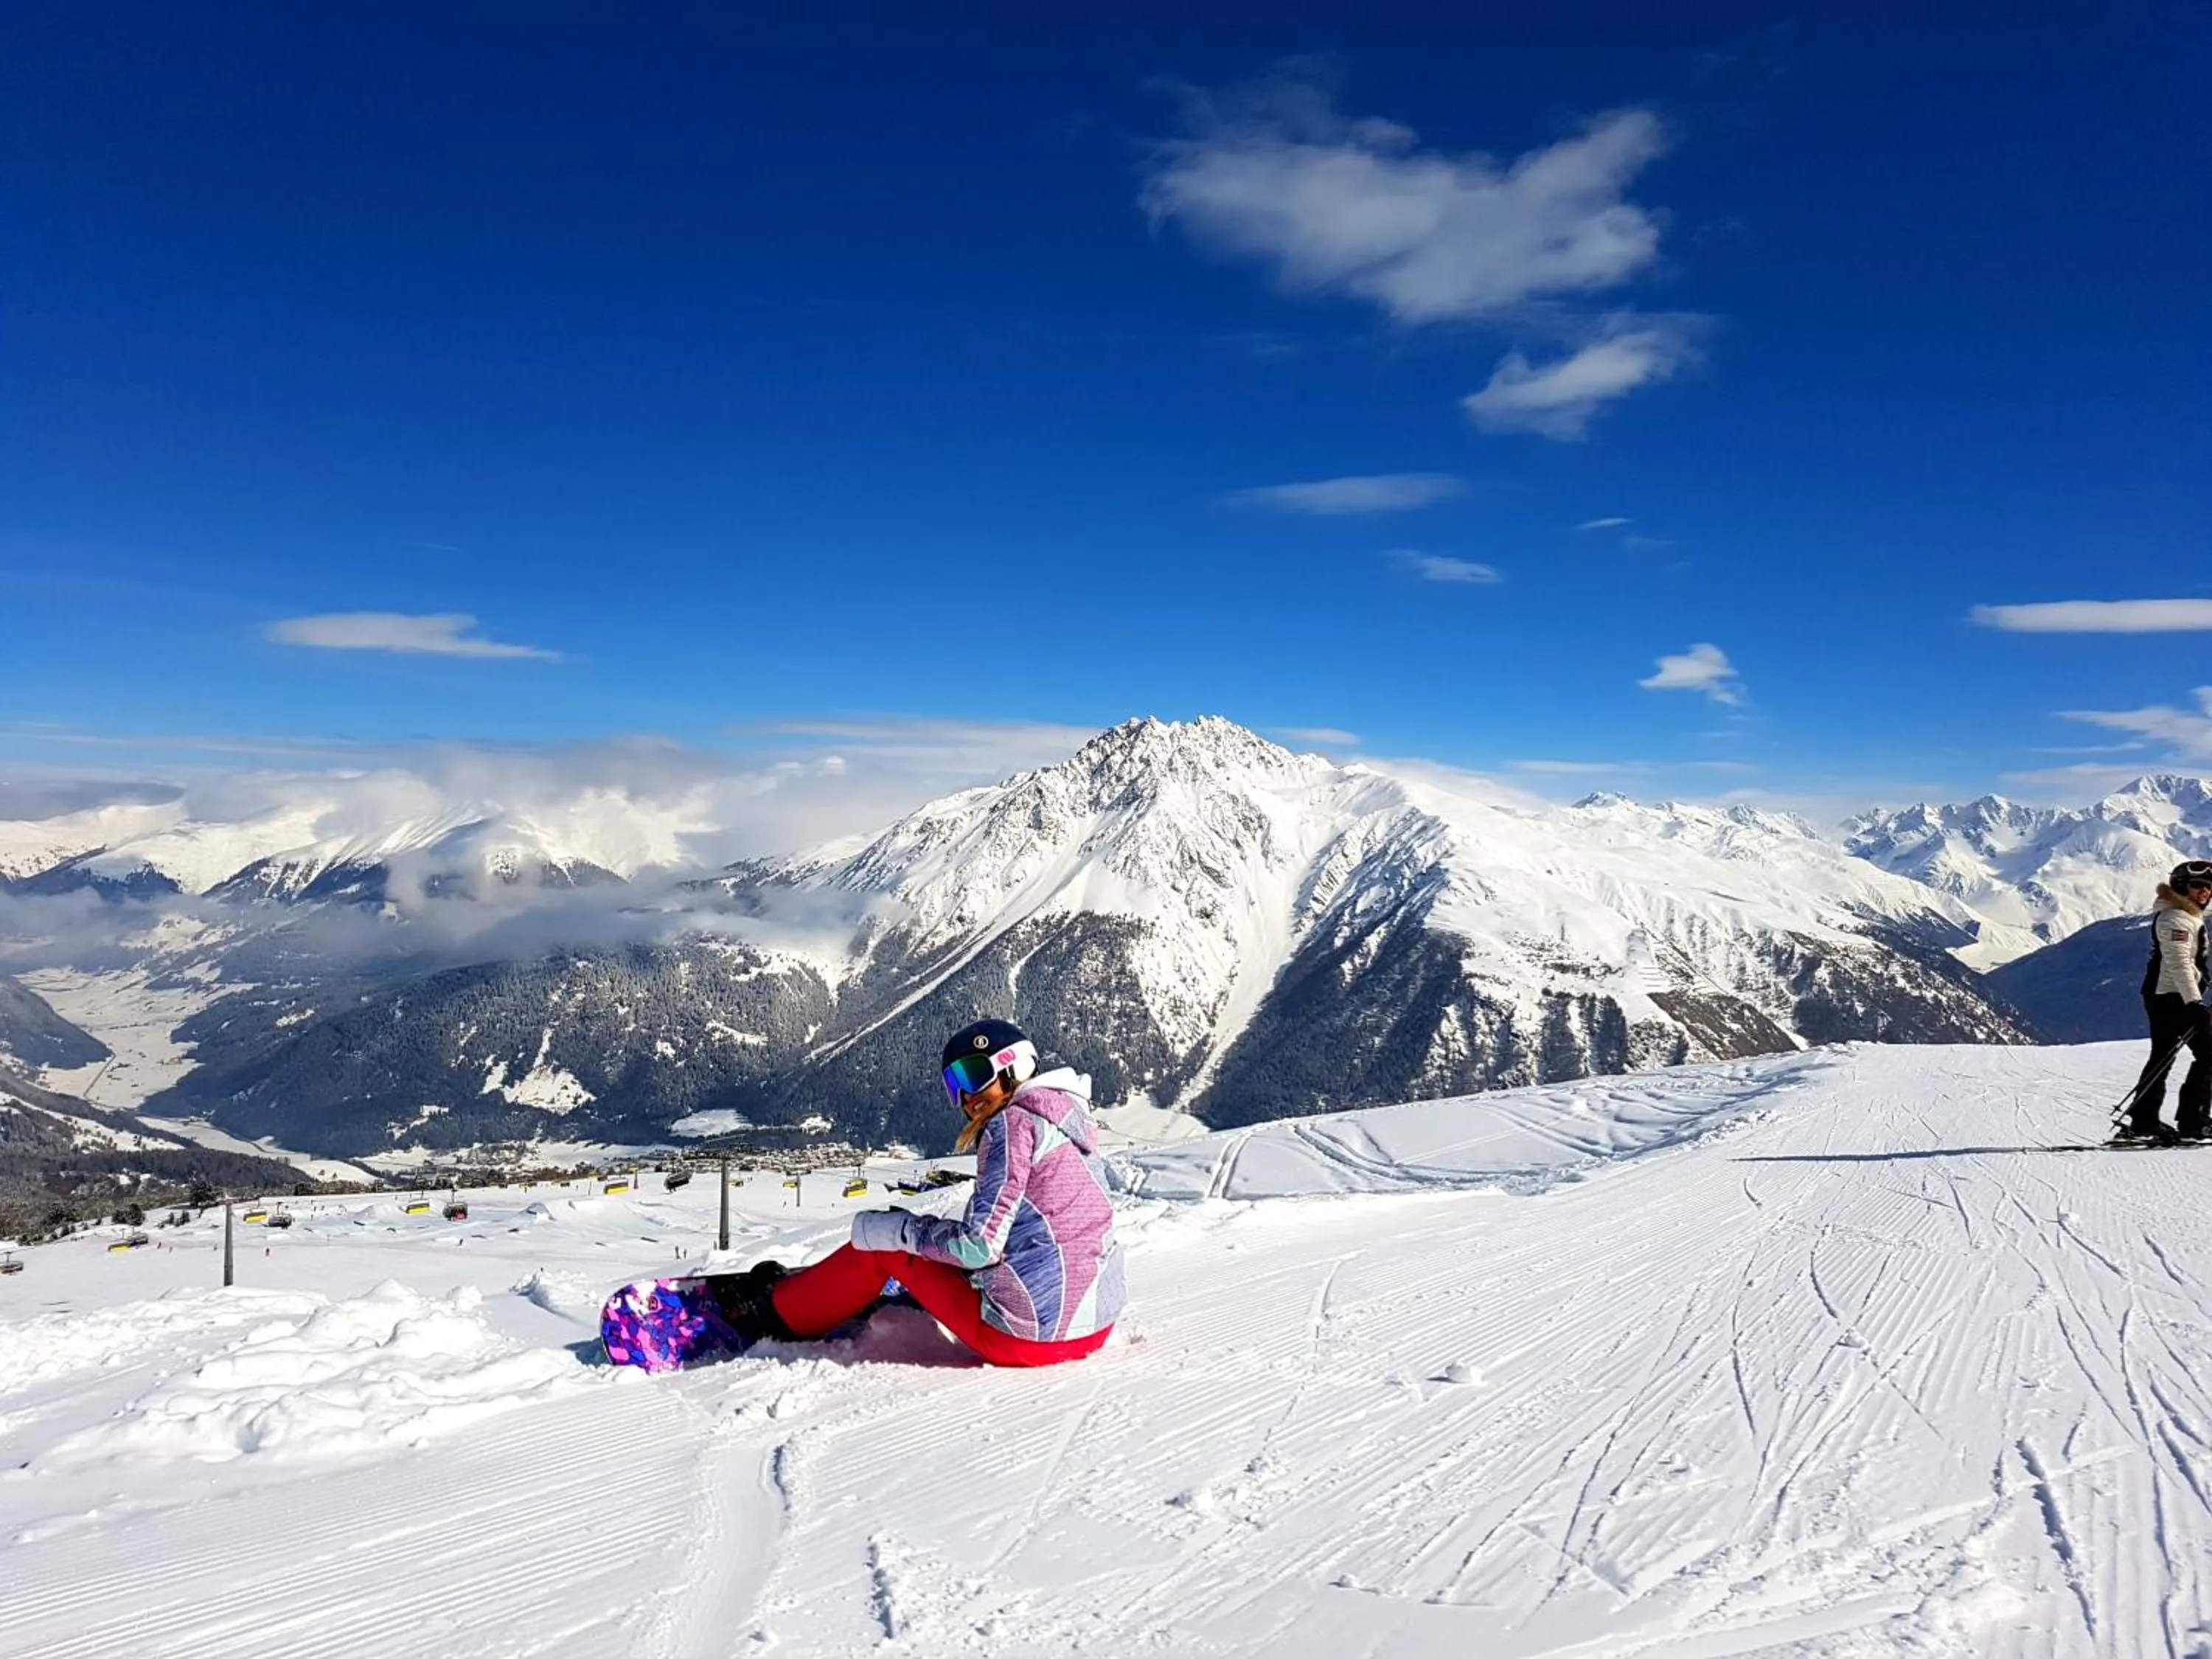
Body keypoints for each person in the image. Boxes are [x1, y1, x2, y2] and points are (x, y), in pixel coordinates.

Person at [710, 1018, 1124, 1366]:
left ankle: (777, 1312)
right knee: (910, 1234)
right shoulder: (1066, 1118)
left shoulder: (1012, 1124)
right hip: (1094, 1327)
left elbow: (979, 1246)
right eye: (954, 1083)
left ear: (1013, 1068)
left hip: (1027, 1338)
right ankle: (834, 1288)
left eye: (973, 1075)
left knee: (881, 1242)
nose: (966, 1096)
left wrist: (902, 1232)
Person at [2118, 859, 2212, 1144]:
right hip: (2173, 997)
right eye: (2198, 886)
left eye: (2209, 887)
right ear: (2182, 887)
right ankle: (2193, 1121)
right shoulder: (2176, 919)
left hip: (2165, 995)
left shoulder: (2185, 915)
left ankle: (2145, 1120)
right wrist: (2194, 1003)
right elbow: (2178, 962)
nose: (2205, 892)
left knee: (2163, 1056)